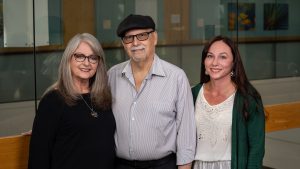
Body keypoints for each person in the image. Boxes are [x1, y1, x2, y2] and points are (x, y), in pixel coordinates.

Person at [108, 14, 196, 169]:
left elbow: (186, 135)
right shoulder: (112, 76)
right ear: (123, 44)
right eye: (128, 38)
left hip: (162, 165)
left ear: (154, 38)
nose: (135, 43)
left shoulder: (176, 77)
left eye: (142, 35)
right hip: (120, 165)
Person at [28, 33, 115, 169]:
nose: (87, 63)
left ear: (99, 63)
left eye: (93, 58)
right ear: (68, 59)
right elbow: (39, 156)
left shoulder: (103, 96)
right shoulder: (53, 100)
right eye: (80, 56)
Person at [192, 35, 265, 169]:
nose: (214, 63)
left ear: (234, 63)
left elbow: (256, 149)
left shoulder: (248, 98)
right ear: (204, 61)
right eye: (210, 56)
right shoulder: (193, 94)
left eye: (223, 57)